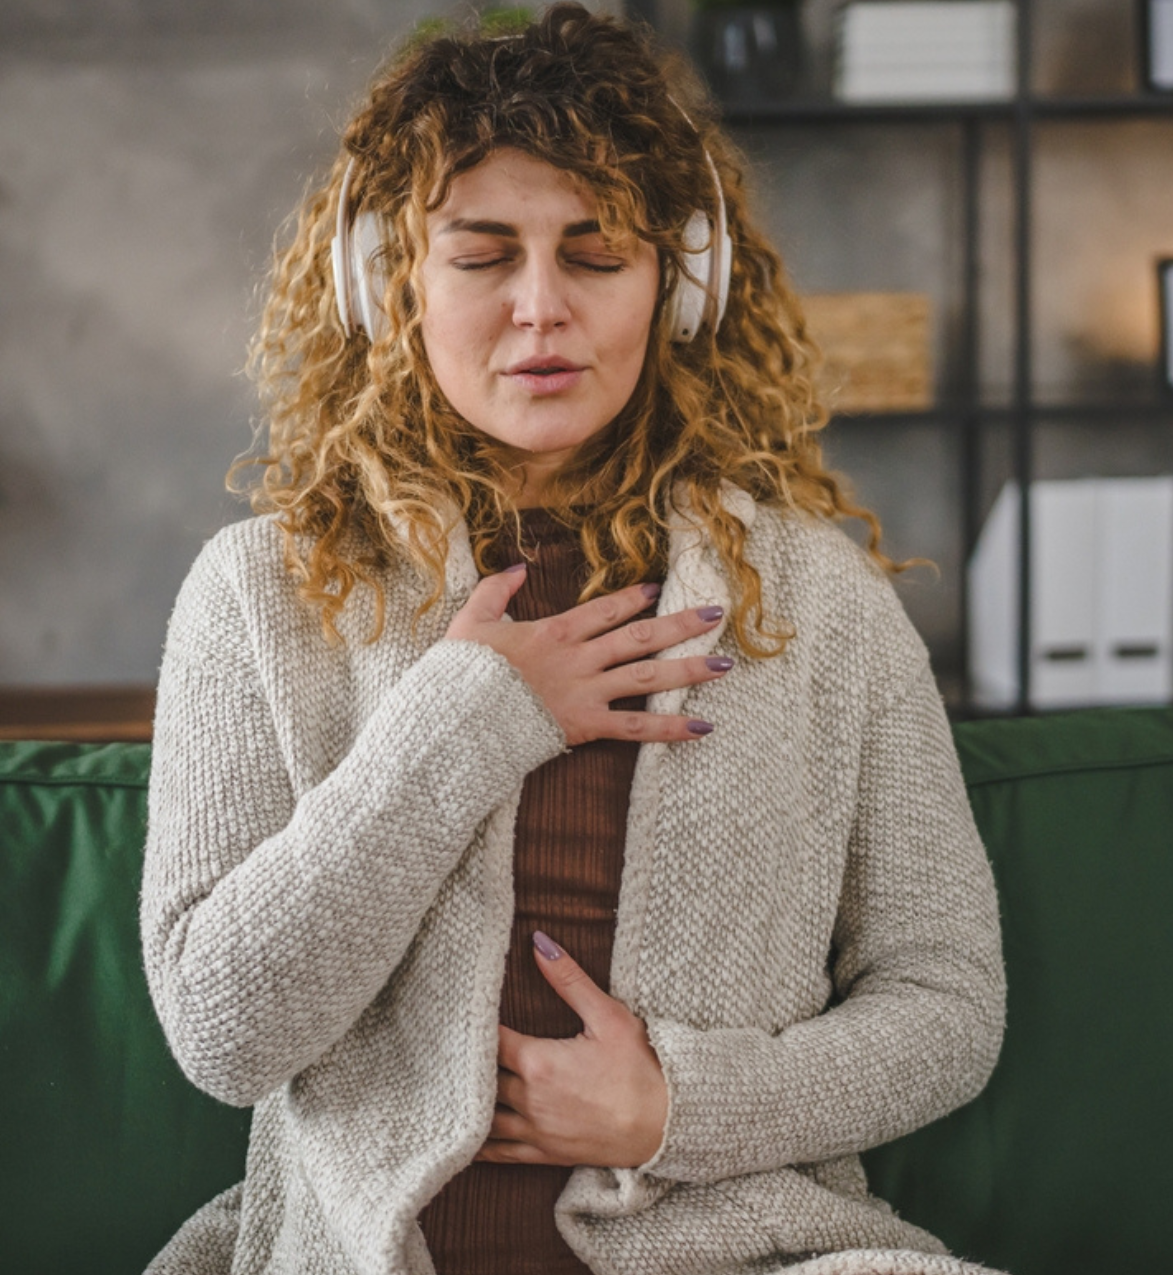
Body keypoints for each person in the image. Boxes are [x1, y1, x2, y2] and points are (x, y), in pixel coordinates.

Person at [139, 7, 1006, 1274]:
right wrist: (470, 718)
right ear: (393, 283)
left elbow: (948, 1006)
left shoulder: (820, 602)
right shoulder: (259, 597)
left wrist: (677, 1109)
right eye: (483, 256)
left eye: (596, 256)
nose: (540, 310)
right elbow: (225, 1032)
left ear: (681, 282)